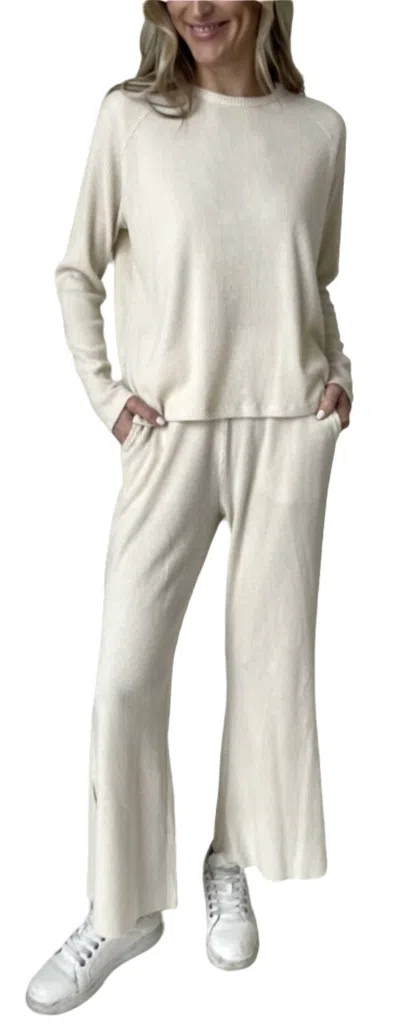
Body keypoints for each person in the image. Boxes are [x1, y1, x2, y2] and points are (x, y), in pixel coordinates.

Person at [26, 0, 354, 1012]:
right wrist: (108, 397)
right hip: (168, 432)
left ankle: (229, 857)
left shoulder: (318, 132)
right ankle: (121, 905)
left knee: (268, 668)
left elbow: (308, 285)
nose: (198, 8)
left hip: (284, 428)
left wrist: (337, 374)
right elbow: (75, 271)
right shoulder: (130, 119)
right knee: (125, 679)